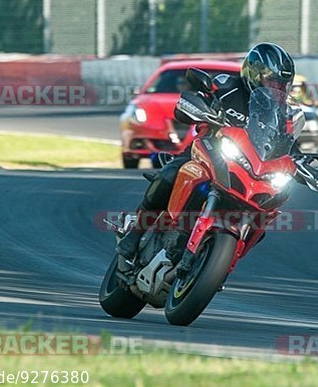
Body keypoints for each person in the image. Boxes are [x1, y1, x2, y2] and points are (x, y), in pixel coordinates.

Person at [116, 42, 296, 261]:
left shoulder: (284, 115)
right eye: (273, 82)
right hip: (208, 149)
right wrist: (198, 108)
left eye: (283, 85)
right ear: (255, 75)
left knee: (264, 215)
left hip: (249, 168)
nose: (278, 90)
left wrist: (303, 161)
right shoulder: (227, 86)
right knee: (171, 173)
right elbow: (196, 99)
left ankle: (220, 261)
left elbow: (289, 144)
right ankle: (135, 233)